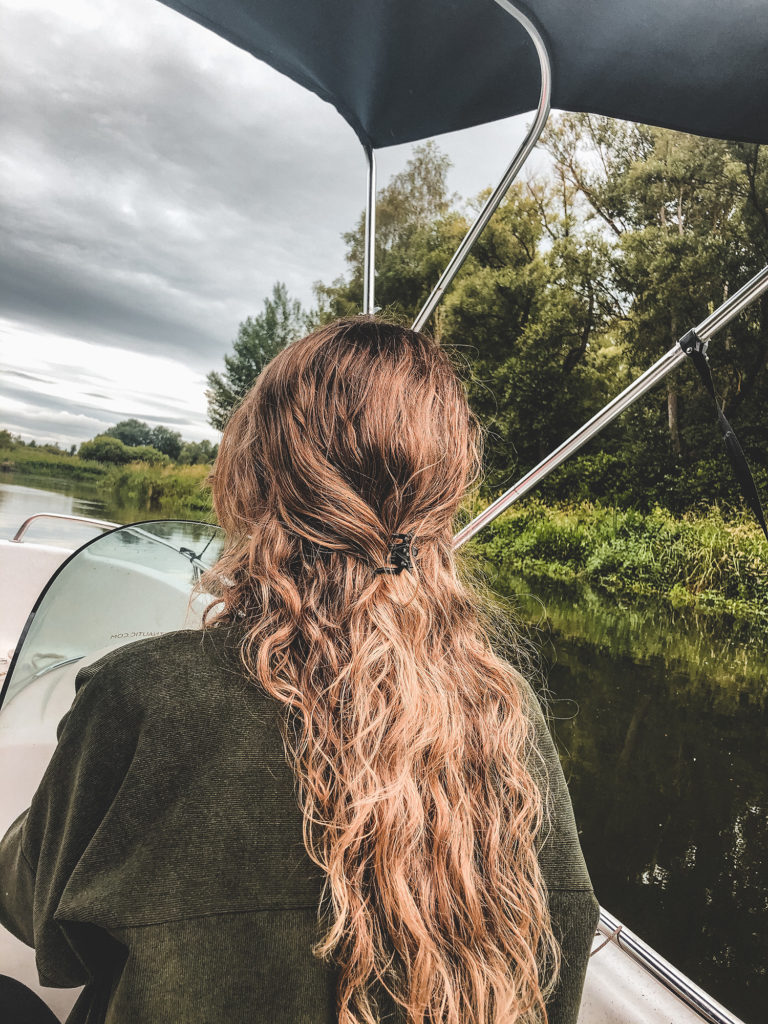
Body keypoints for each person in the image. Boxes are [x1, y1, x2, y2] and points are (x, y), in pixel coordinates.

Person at [0, 317, 599, 1024]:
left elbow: (37, 921)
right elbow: (563, 942)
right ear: (442, 497)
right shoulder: (506, 711)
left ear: (255, 476)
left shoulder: (144, 694)